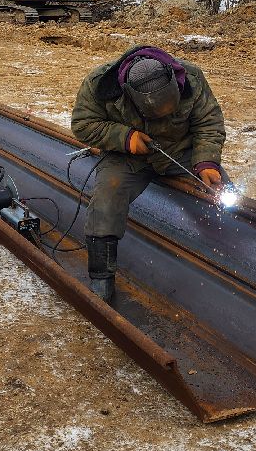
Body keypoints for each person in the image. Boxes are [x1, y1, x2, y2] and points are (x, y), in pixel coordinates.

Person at [70, 45, 227, 301]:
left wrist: (207, 162)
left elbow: (208, 122)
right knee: (107, 195)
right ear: (130, 95)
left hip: (180, 152)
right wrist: (124, 137)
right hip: (129, 156)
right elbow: (83, 125)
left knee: (221, 194)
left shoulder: (192, 78)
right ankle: (102, 277)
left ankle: (229, 253)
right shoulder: (100, 85)